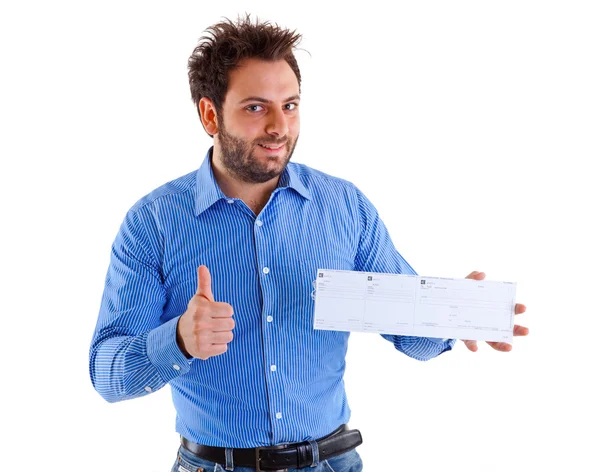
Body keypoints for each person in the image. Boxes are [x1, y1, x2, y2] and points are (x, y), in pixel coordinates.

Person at [89, 15, 528, 472]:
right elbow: (107, 373)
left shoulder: (345, 207)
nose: (280, 126)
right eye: (256, 108)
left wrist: (451, 315)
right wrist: (178, 340)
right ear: (210, 114)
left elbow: (407, 331)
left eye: (291, 105)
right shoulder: (153, 222)